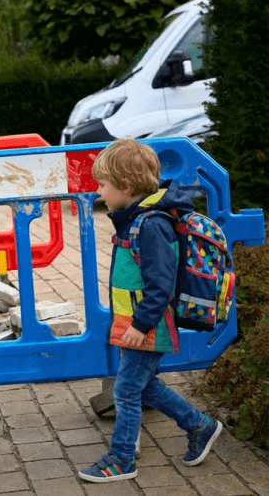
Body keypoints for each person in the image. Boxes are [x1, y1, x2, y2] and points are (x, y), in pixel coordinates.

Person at [79, 138, 223, 483]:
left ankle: (122, 458)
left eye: (103, 184)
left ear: (125, 186)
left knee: (126, 390)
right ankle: (200, 426)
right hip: (139, 323)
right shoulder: (135, 219)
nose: (99, 192)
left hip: (149, 326)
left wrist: (141, 325)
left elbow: (160, 285)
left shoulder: (151, 225)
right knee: (143, 386)